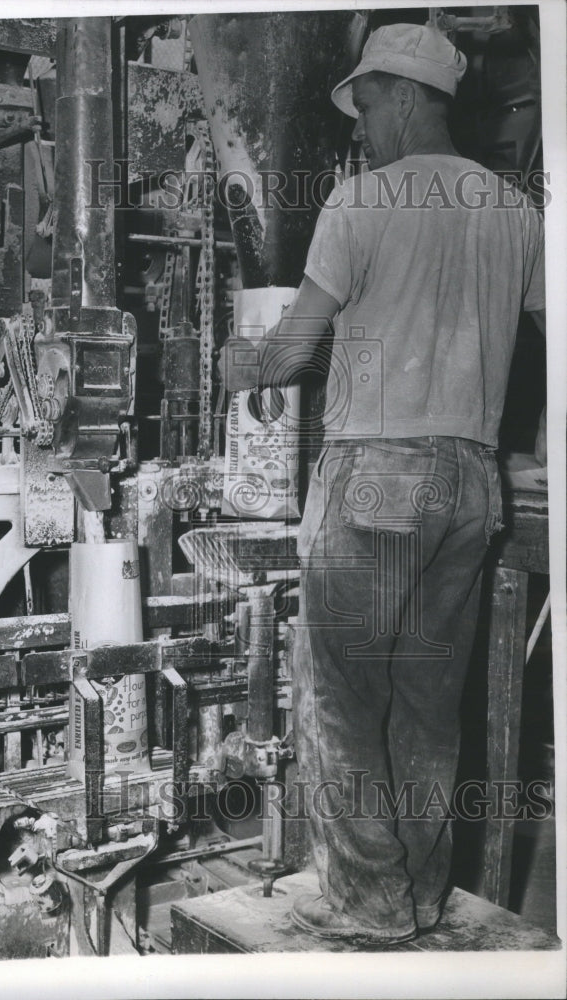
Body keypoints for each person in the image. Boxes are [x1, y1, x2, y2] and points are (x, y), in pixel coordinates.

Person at [219, 23, 545, 944]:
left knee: (342, 700)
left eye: (364, 106)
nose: (359, 127)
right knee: (428, 704)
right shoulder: (517, 212)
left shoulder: (358, 204)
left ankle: (369, 903)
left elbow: (293, 348)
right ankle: (419, 895)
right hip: (471, 483)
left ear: (403, 96)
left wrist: (239, 364)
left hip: (373, 480)